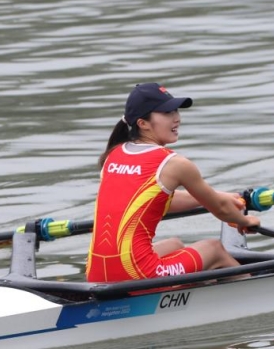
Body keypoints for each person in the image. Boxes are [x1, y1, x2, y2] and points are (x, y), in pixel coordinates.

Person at [86, 82, 260, 282]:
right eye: (167, 112)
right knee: (214, 249)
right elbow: (221, 209)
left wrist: (214, 195)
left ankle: (192, 297)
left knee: (175, 245)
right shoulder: (174, 163)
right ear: (143, 123)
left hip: (96, 274)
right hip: (137, 275)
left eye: (175, 111)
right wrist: (245, 221)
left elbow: (151, 199)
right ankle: (252, 301)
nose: (177, 118)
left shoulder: (113, 156)